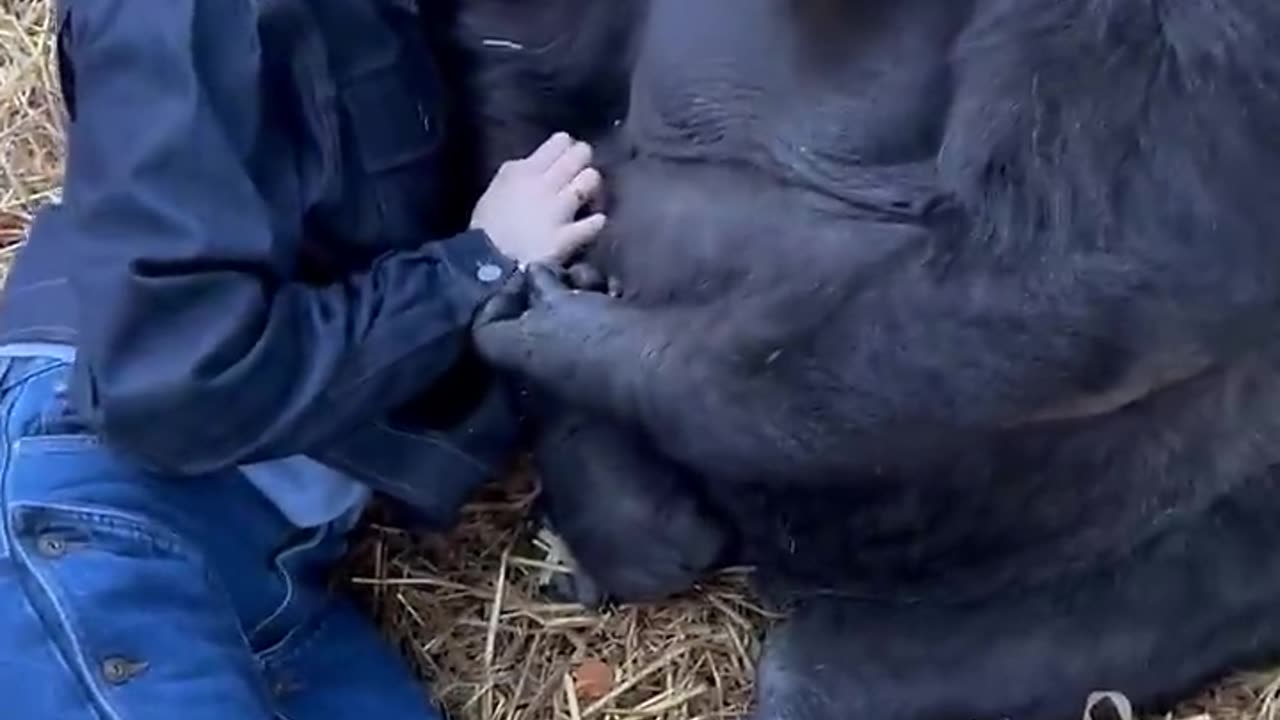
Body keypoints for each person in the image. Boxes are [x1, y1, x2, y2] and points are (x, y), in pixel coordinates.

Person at [0, 0, 606, 718]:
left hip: (271, 573)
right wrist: (474, 266)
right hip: (104, 499)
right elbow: (169, 380)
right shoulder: (182, 14)